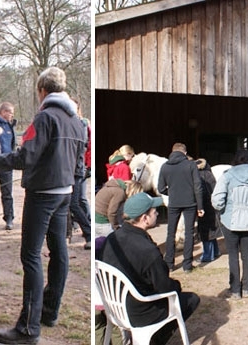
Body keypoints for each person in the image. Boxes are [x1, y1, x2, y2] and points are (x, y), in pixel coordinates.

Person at [0, 67, 86, 344]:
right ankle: (49, 312)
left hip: (43, 194)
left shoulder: (44, 117)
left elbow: (24, 158)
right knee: (59, 251)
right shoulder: (77, 121)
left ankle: (28, 328)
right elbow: (80, 164)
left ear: (42, 91)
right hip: (64, 193)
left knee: (31, 256)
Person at [100, 192, 200, 345]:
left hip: (114, 306)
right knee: (191, 299)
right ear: (145, 218)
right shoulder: (147, 251)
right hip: (139, 311)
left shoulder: (112, 238)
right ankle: (154, 340)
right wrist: (177, 286)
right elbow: (165, 289)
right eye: (154, 211)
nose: (158, 213)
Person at [211, 149, 248, 299]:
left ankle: (235, 290)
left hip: (230, 220)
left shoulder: (227, 175)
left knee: (233, 255)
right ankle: (246, 288)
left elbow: (217, 199)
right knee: (246, 254)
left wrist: (221, 210)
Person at [158, 142, 204, 273]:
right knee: (189, 233)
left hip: (173, 203)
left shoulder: (165, 166)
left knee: (170, 233)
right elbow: (198, 186)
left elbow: (160, 188)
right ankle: (187, 265)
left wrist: (171, 193)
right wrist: (200, 206)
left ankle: (169, 263)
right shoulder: (191, 165)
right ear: (184, 153)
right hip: (190, 202)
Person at [68, 98, 91, 249]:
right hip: (69, 169)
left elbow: (81, 148)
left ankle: (88, 233)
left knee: (74, 203)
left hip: (76, 169)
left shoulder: (81, 124)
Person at [0, 102, 17, 230]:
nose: (11, 115)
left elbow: (12, 144)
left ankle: (9, 217)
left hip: (7, 163)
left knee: (7, 193)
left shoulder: (10, 126)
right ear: (3, 112)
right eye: (10, 112)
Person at [195, 158, 220, 263]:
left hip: (204, 205)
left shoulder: (199, 176)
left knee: (205, 231)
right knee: (211, 230)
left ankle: (207, 255)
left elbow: (201, 192)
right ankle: (215, 251)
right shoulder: (210, 174)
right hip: (212, 205)